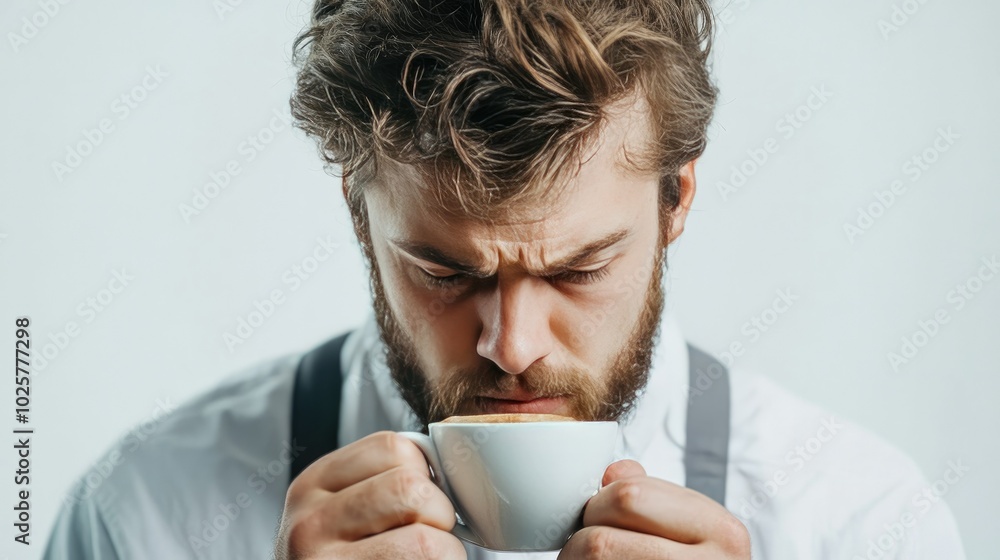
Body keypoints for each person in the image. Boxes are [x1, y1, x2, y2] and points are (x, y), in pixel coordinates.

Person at [44, 0, 967, 558]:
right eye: (443, 269)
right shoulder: (140, 517)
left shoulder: (861, 524)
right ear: (359, 211)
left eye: (578, 267)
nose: (512, 346)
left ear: (677, 197)